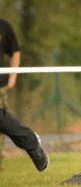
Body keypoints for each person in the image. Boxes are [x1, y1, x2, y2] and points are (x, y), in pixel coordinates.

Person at [0, 19, 48, 172]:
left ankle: (31, 142)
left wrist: (12, 75)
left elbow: (15, 51)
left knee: (1, 120)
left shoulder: (2, 26)